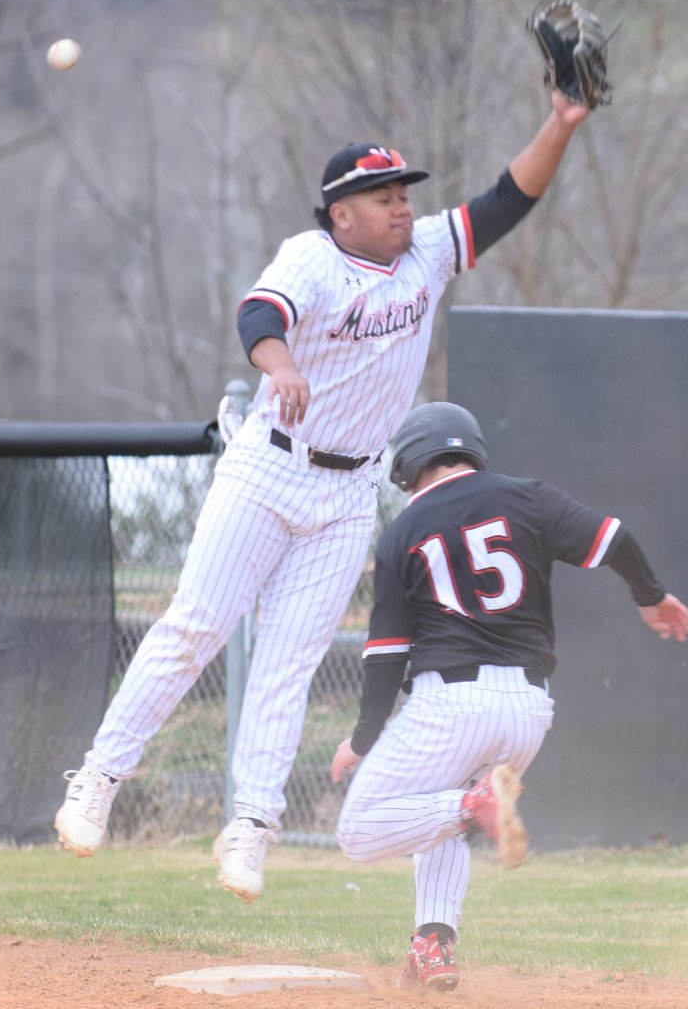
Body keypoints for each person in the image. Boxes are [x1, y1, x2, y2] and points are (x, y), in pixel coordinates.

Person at [55, 90, 593, 903]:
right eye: (385, 197)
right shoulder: (312, 256)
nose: (403, 207)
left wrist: (560, 124)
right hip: (270, 464)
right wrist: (279, 365)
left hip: (348, 492)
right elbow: (259, 312)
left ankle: (252, 826)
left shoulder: (428, 254)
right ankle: (99, 776)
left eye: (405, 193)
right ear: (343, 213)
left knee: (289, 663)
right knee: (194, 626)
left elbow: (509, 198)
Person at [332, 401, 688, 991]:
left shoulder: (403, 533)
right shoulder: (526, 496)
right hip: (528, 708)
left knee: (359, 830)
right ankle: (433, 945)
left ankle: (477, 808)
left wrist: (363, 738)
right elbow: (613, 538)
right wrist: (651, 595)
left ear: (409, 466)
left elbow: (386, 654)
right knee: (440, 812)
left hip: (451, 703)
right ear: (470, 449)